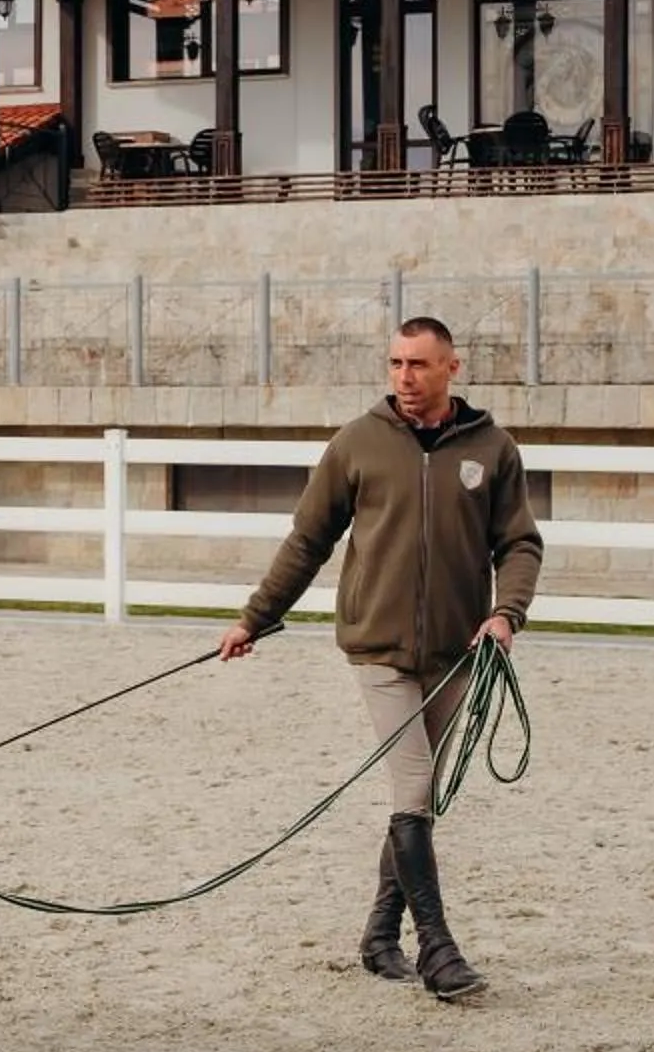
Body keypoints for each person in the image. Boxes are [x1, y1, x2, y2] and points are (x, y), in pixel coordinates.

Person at [216, 318, 541, 1000]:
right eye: (394, 363)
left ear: (454, 367)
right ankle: (439, 953)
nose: (404, 377)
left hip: (460, 655)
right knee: (416, 791)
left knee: (414, 801)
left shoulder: (492, 448)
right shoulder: (357, 445)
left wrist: (506, 614)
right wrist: (256, 618)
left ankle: (378, 935)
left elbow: (519, 544)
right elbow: (308, 541)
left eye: (419, 364)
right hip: (378, 651)